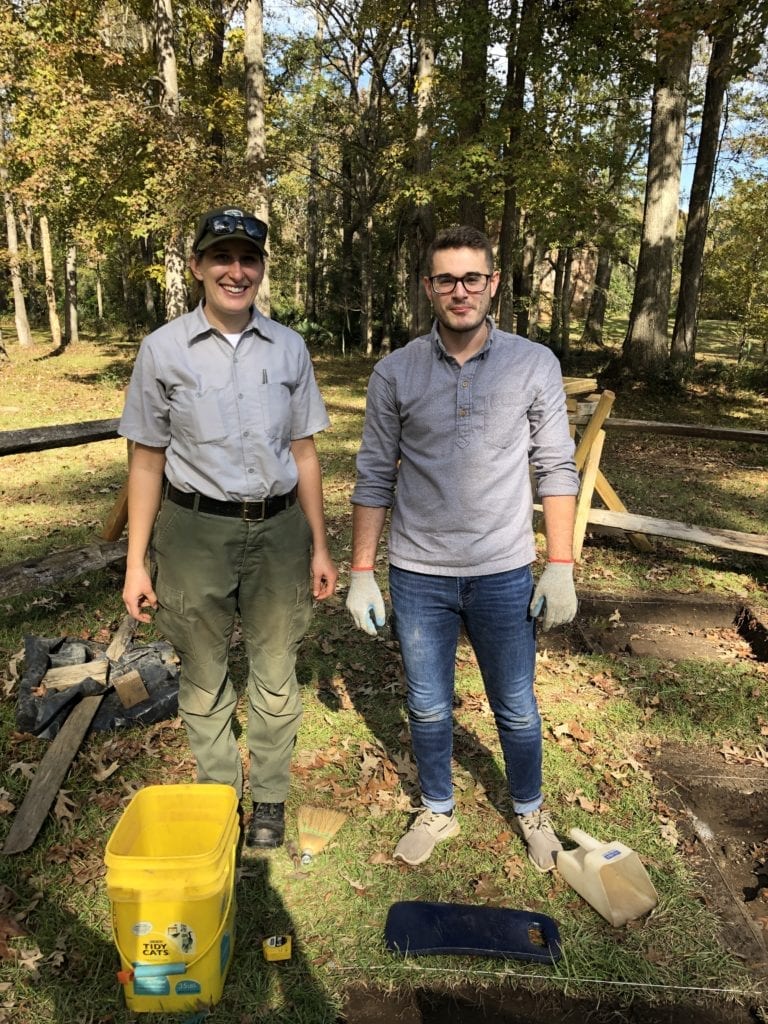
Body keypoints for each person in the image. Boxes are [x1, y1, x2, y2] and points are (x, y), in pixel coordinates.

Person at [346, 225, 579, 872]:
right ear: (428, 288)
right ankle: (438, 807)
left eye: (472, 278)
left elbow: (557, 468)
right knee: (425, 702)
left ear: (493, 283)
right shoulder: (395, 372)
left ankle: (530, 807)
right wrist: (361, 571)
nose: (460, 291)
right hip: (419, 573)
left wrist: (559, 565)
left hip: (504, 570)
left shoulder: (534, 364)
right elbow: (373, 473)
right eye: (445, 279)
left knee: (516, 705)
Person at [119, 206, 337, 851]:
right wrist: (136, 562)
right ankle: (219, 798)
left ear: (261, 270)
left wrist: (321, 545)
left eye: (248, 259)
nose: (236, 271)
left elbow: (304, 452)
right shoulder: (162, 350)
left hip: (278, 534)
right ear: (198, 267)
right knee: (204, 673)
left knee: (275, 670)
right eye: (222, 258)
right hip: (193, 536)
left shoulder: (290, 347)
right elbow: (147, 460)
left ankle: (268, 797)